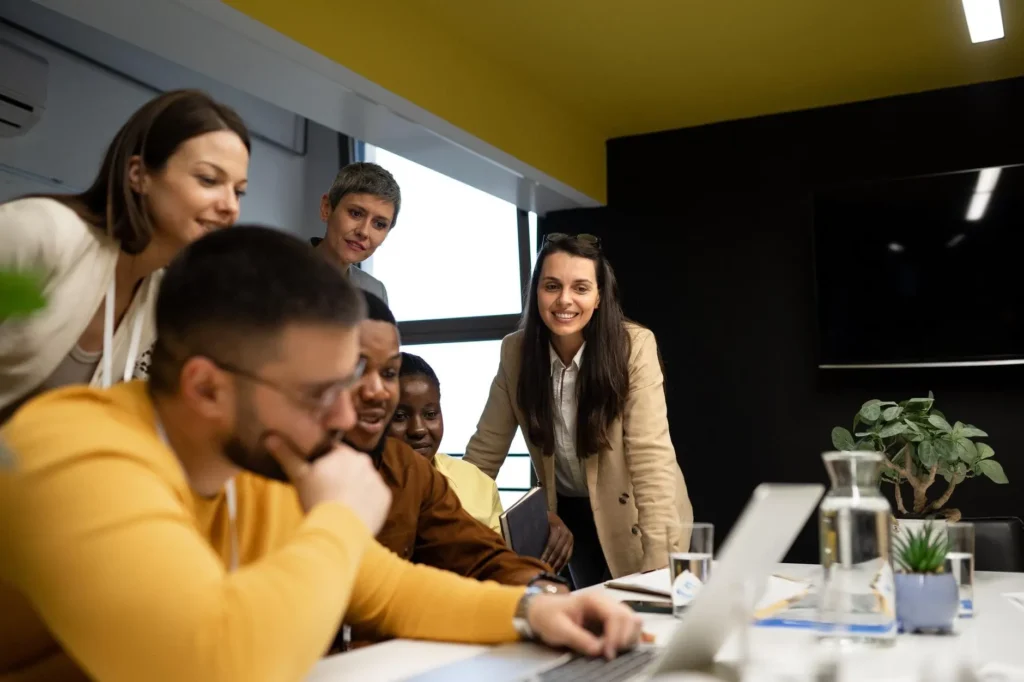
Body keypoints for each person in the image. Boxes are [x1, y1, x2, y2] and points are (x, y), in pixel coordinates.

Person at [0, 226, 642, 681]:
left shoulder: (257, 455)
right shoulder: (73, 454)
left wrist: (536, 608)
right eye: (318, 392)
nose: (345, 415)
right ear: (206, 387)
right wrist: (337, 518)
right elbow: (215, 664)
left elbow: (386, 588)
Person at [0, 89, 250, 424]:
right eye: (208, 180)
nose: (230, 206)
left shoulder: (158, 298)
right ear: (139, 175)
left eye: (238, 190)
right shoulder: (41, 232)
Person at [464, 233, 694, 589]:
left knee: (647, 614)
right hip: (569, 518)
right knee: (594, 622)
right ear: (536, 291)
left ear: (600, 295)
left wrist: (661, 566)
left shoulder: (633, 346)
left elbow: (652, 461)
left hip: (640, 512)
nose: (564, 300)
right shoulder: (516, 352)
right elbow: (483, 456)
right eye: (552, 286)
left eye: (581, 287)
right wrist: (446, 537)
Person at [390, 351, 504, 533]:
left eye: (430, 414)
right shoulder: (359, 493)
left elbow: (504, 555)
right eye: (400, 416)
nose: (418, 429)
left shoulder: (478, 483)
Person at [312, 162, 398, 303]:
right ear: (326, 208)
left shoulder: (375, 292)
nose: (363, 232)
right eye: (356, 213)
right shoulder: (274, 271)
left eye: (379, 224)